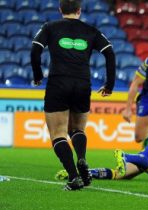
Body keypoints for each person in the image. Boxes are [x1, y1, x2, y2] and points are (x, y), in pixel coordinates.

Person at [31, 0, 116, 190]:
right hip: (82, 83)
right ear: (79, 10)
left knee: (58, 133)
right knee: (78, 129)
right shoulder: (91, 30)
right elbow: (110, 53)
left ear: (60, 9)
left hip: (58, 82)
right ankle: (83, 159)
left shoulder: (50, 27)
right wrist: (109, 84)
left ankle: (74, 176)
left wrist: (37, 76)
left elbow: (35, 49)